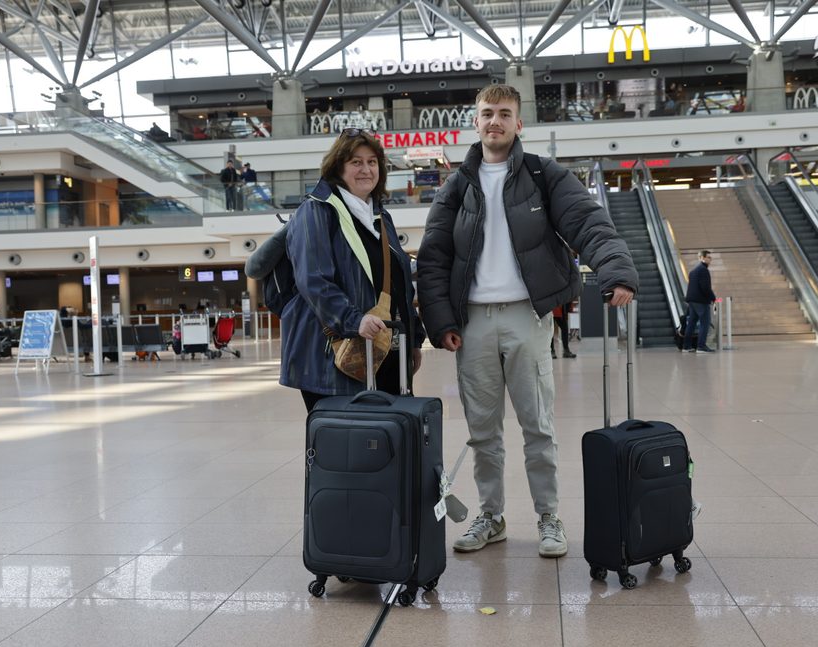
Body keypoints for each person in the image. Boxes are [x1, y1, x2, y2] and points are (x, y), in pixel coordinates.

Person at [417, 84, 638, 559]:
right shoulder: (456, 186)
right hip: (472, 321)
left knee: (537, 426)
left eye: (504, 114)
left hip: (527, 317)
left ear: (519, 124)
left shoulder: (543, 175)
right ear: (474, 123)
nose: (494, 121)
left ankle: (548, 516)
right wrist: (440, 322)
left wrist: (615, 270)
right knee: (483, 430)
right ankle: (491, 516)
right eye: (486, 114)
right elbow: (432, 258)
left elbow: (587, 223)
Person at [282, 128, 425, 412]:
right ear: (338, 167)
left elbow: (400, 284)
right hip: (334, 358)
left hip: (385, 352)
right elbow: (314, 281)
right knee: (344, 449)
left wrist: (414, 339)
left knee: (386, 445)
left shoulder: (380, 218)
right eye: (356, 162)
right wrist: (354, 320)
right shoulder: (317, 211)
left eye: (372, 162)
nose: (366, 169)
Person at [683, 250, 717, 353]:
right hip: (701, 301)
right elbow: (705, 288)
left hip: (692, 301)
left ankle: (686, 346)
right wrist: (713, 298)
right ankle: (701, 346)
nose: (710, 260)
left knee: (692, 323)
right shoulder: (703, 270)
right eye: (708, 257)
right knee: (705, 323)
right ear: (702, 258)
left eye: (710, 258)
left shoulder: (694, 271)